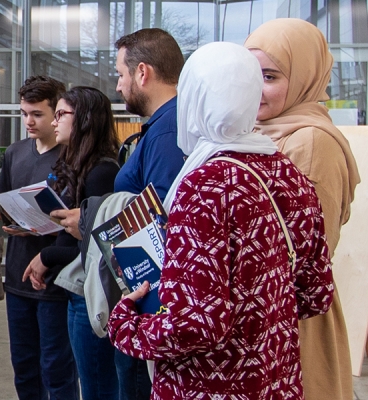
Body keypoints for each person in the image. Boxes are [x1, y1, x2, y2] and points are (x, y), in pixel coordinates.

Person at [107, 41, 334, 399]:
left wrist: (125, 323)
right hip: (275, 380)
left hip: (210, 387)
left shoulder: (203, 185)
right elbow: (316, 294)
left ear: (194, 100)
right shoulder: (288, 175)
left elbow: (193, 324)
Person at [51, 28, 186, 399]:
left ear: (143, 73)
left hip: (148, 295)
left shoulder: (166, 132)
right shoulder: (163, 127)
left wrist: (92, 220)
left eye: (121, 74)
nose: (120, 84)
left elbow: (161, 220)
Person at [245, 18, 361, 400]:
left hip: (294, 319)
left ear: (305, 76)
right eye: (248, 75)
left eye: (270, 76)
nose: (255, 89)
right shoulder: (258, 134)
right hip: (263, 313)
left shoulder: (310, 141)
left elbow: (306, 257)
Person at [0, 76, 79, 400]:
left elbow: (79, 222)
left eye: (36, 114)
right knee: (24, 368)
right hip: (18, 276)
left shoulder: (72, 158)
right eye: (24, 113)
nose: (28, 121)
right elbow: (7, 202)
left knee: (57, 369)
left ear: (57, 113)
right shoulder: (15, 152)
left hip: (56, 279)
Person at [22, 86, 121, 399]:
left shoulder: (102, 171)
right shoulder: (81, 165)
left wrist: (47, 256)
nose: (54, 122)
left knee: (96, 386)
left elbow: (98, 248)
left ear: (85, 121)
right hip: (79, 291)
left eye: (61, 114)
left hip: (91, 294)